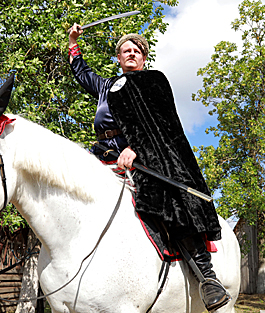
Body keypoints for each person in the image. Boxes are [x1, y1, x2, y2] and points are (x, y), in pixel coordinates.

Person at [68, 24, 229, 311]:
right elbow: (82, 73)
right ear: (118, 58)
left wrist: (137, 148)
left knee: (171, 204)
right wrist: (73, 43)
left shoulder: (153, 81)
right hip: (104, 154)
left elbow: (164, 123)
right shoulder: (108, 86)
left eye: (136, 50)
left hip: (148, 156)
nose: (131, 53)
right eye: (125, 50)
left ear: (143, 58)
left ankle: (208, 278)